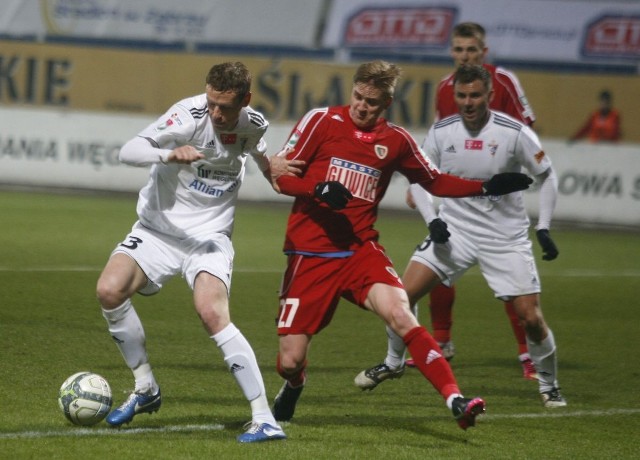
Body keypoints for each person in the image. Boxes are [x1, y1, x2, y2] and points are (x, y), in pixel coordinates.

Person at [269, 60, 533, 430]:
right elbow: (280, 178)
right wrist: (317, 188)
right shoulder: (321, 121)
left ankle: (456, 399)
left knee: (401, 312)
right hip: (310, 254)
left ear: (387, 103)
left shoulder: (397, 141)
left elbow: (436, 182)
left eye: (372, 102)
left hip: (361, 251)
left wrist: (486, 186)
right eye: (358, 97)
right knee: (291, 360)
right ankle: (294, 384)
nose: (362, 106)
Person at [96, 61, 303, 443]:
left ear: (246, 100)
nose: (217, 113)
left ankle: (263, 418)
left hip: (209, 237)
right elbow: (129, 150)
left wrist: (268, 164)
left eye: (225, 106)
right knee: (109, 290)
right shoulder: (188, 116)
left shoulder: (253, 122)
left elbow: (254, 145)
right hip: (159, 231)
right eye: (212, 103)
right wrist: (167, 155)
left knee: (211, 310)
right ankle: (145, 388)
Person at [357, 64, 566, 408]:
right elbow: (419, 177)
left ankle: (549, 383)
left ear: (489, 96)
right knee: (401, 296)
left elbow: (548, 176)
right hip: (455, 232)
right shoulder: (442, 132)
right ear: (454, 96)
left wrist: (543, 226)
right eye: (462, 95)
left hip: (505, 237)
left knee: (530, 317)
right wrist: (432, 220)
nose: (468, 102)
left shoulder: (514, 133)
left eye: (475, 95)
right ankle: (393, 363)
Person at [408, 22, 538, 379]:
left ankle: (528, 354)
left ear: (484, 51)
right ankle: (442, 343)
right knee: (439, 265)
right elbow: (440, 135)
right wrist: (422, 178)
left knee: (512, 286)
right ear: (452, 52)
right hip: (459, 192)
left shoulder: (505, 81)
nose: (464, 55)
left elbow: (525, 127)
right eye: (459, 50)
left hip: (499, 195)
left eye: (471, 50)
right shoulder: (445, 88)